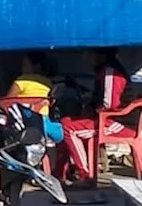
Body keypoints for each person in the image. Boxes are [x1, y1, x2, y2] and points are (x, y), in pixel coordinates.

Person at [58, 48, 136, 184]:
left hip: (118, 122)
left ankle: (85, 175)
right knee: (65, 122)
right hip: (106, 119)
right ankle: (59, 173)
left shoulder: (111, 73)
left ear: (102, 55)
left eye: (90, 53)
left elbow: (110, 104)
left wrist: (91, 110)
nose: (87, 57)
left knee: (69, 129)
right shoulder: (103, 72)